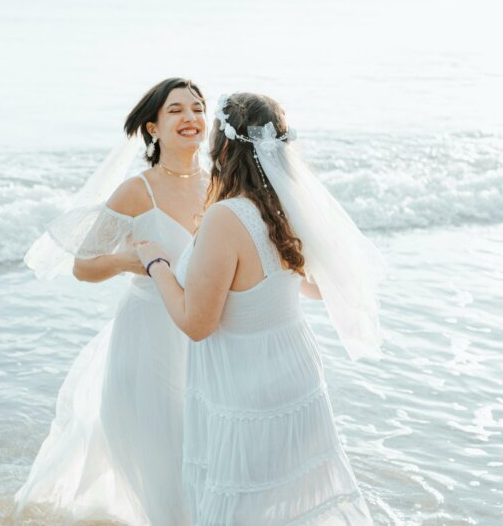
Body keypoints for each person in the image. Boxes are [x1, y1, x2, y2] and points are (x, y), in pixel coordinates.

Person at [136, 92, 383, 524]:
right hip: (295, 375)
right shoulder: (287, 207)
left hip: (247, 389)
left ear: (225, 148)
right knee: (293, 506)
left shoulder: (227, 218)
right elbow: (313, 286)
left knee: (242, 508)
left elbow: (197, 323)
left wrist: (157, 264)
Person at [15, 78, 208, 525]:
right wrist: (130, 261)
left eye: (197, 108)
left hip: (204, 333)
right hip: (149, 338)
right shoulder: (137, 191)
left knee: (205, 451)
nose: (190, 118)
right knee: (166, 455)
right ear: (152, 127)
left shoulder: (219, 183)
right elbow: (84, 265)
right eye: (176, 110)